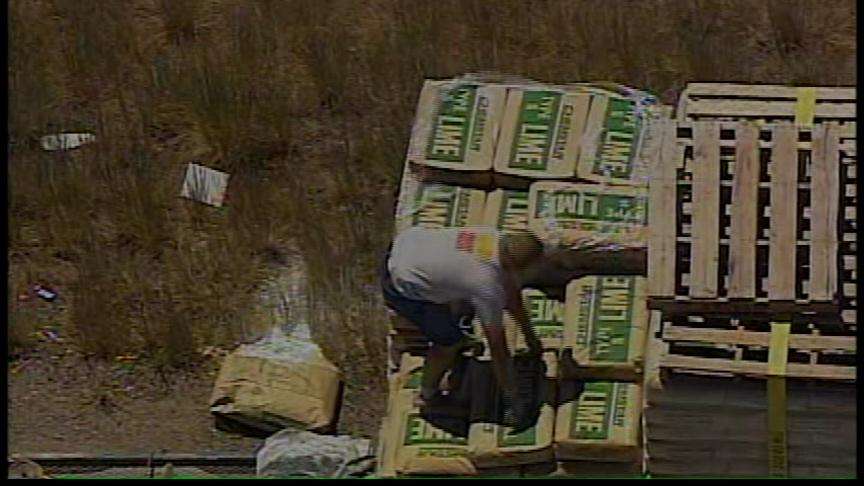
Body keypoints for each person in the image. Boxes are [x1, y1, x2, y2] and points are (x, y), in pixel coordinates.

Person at [380, 225, 545, 424]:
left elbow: (512, 294)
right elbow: (498, 349)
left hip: (408, 243)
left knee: (460, 299)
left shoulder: (493, 237)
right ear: (513, 267)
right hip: (402, 281)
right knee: (449, 342)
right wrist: (512, 397)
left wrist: (530, 336)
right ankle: (428, 396)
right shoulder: (485, 284)